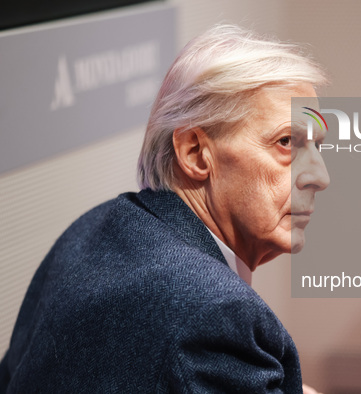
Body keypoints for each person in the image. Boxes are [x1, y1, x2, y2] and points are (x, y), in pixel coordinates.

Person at [0, 25, 329, 393]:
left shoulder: (92, 230)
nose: (319, 176)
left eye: (317, 146)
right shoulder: (216, 318)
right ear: (194, 152)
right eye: (286, 142)